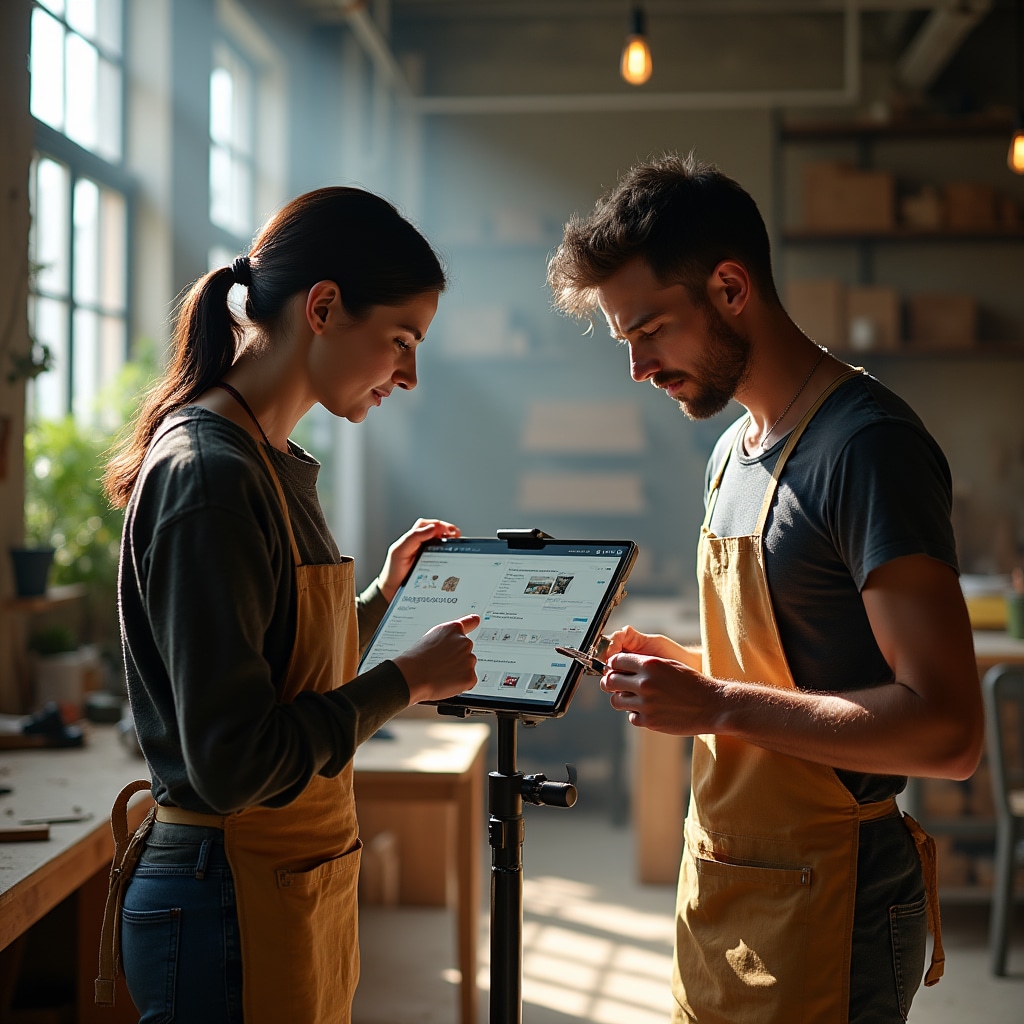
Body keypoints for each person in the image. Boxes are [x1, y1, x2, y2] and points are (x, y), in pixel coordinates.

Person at [546, 153, 984, 1023]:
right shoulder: (731, 450)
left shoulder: (868, 448)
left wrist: (714, 703)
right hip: (731, 877)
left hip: (837, 892)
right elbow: (800, 661)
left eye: (651, 331)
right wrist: (691, 670)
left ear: (732, 288)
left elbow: (947, 733)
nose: (637, 368)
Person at [97, 186, 480, 1024]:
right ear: (325, 307)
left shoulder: (269, 459)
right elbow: (236, 761)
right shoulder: (212, 475)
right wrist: (404, 684)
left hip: (273, 881)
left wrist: (381, 598)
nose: (408, 375)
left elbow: (280, 664)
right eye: (401, 341)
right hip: (222, 892)